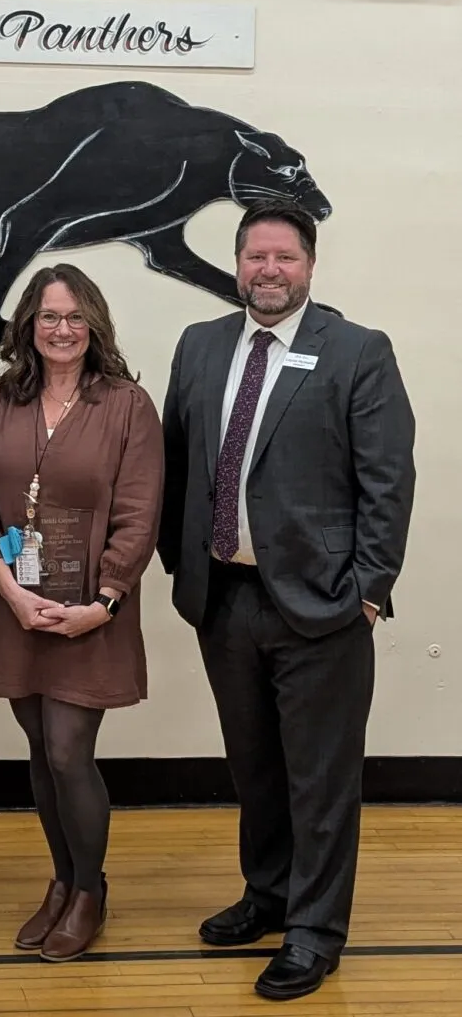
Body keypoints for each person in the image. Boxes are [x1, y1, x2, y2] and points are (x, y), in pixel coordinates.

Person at [157, 198, 415, 1001]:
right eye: (254, 257)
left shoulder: (356, 352)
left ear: (309, 265)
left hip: (323, 608)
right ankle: (267, 896)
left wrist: (367, 594)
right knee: (256, 769)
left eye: (284, 258)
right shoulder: (199, 347)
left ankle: (313, 931)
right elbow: (175, 460)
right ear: (236, 264)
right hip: (223, 599)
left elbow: (388, 482)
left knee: (319, 779)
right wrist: (181, 564)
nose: (268, 271)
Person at [0, 263, 164, 963]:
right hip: (14, 604)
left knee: (69, 749)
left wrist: (104, 602)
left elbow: (139, 515)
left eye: (75, 317)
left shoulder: (127, 405)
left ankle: (88, 893)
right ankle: (61, 880)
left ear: (95, 325)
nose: (61, 329)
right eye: (48, 316)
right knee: (40, 752)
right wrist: (5, 586)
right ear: (28, 325)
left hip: (90, 614)